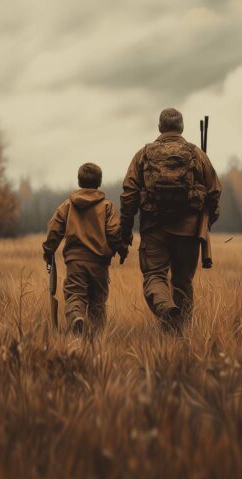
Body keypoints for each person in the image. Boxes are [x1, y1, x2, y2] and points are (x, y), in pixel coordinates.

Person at [120, 108, 221, 332]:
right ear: (182, 128)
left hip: (154, 229)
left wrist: (126, 229)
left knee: (154, 276)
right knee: (183, 283)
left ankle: (166, 309)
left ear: (159, 128)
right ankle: (180, 334)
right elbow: (214, 191)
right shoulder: (196, 154)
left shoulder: (143, 154)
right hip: (189, 231)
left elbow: (129, 194)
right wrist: (207, 222)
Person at [42, 162, 128, 336]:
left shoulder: (68, 205)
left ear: (79, 181)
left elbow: (54, 229)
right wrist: (121, 249)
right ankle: (96, 340)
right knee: (97, 302)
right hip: (99, 263)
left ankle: (76, 319)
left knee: (75, 295)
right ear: (100, 181)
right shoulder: (107, 206)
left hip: (75, 261)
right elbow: (114, 232)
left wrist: (48, 251)